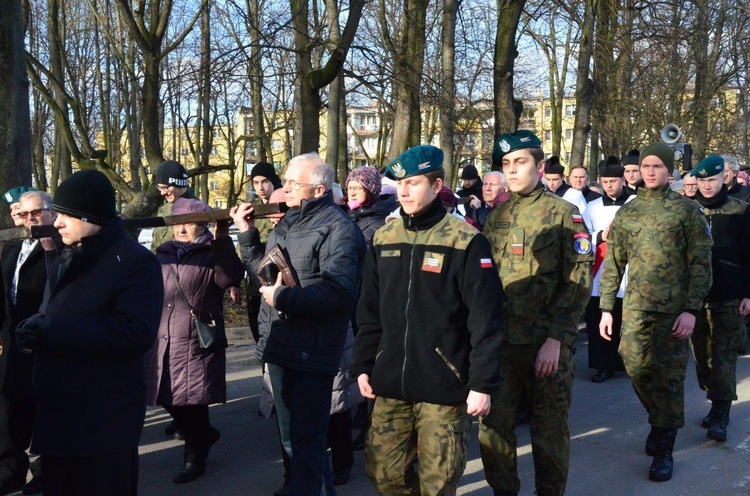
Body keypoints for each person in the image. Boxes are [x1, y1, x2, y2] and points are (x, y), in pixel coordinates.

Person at [350, 144, 504, 495]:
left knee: (439, 482)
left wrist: (481, 384)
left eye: (415, 183)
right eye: (400, 184)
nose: (404, 191)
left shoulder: (465, 241)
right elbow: (369, 312)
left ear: (437, 186)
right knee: (384, 473)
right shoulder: (384, 238)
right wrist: (362, 364)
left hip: (443, 387)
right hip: (389, 383)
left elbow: (486, 318)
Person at [14, 170, 163, 496]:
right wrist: (36, 327)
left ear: (92, 216)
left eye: (66, 214)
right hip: (60, 418)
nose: (58, 222)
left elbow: (135, 332)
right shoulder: (69, 253)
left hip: (102, 422)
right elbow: (58, 312)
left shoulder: (135, 261)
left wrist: (55, 332)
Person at [230, 153, 365, 496]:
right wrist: (247, 237)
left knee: (308, 439)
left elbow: (339, 292)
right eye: (285, 180)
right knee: (291, 438)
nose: (284, 187)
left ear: (318, 189)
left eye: (292, 183)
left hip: (312, 349)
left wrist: (284, 300)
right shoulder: (288, 222)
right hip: (280, 344)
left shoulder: (339, 228)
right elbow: (267, 275)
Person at [480, 131, 593, 496]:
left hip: (547, 344)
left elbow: (579, 278)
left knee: (548, 433)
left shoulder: (565, 215)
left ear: (540, 167)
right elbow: (482, 280)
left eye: (520, 162)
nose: (512, 171)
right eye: (506, 164)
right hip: (502, 345)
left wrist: (556, 338)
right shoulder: (495, 216)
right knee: (494, 429)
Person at [599, 143, 712, 482]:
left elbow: (701, 265)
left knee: (668, 377)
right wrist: (606, 307)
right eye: (645, 166)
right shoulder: (628, 213)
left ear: (669, 170)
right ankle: (660, 417)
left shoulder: (686, 211)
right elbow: (614, 261)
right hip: (635, 306)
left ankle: (664, 444)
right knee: (634, 366)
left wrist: (692, 309)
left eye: (657, 166)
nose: (649, 171)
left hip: (673, 310)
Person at [146, 198, 244, 484]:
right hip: (162, 335)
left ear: (201, 223)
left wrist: (223, 239)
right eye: (178, 222)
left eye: (189, 222)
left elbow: (231, 277)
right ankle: (203, 436)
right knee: (163, 393)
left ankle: (194, 458)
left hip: (194, 336)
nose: (183, 228)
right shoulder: (162, 252)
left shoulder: (211, 251)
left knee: (193, 399)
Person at [688, 155, 750, 442]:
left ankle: (721, 414)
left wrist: (748, 293)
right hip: (695, 299)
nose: (707, 185)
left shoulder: (740, 210)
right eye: (702, 180)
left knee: (724, 357)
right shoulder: (687, 210)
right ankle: (715, 401)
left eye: (712, 179)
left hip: (730, 295)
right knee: (702, 357)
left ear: (723, 179)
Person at [0, 191, 53, 495]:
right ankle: (10, 468)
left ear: (50, 212)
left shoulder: (57, 248)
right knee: (8, 402)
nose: (29, 219)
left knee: (45, 405)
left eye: (36, 213)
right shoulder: (11, 248)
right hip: (12, 338)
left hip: (46, 338)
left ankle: (46, 470)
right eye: (23, 214)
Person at [581, 161, 633, 383]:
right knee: (600, 318)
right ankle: (603, 365)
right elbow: (582, 237)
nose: (609, 186)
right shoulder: (592, 207)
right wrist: (600, 235)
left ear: (623, 180)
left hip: (629, 269)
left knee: (625, 320)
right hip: (601, 269)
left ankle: (626, 362)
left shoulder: (634, 203)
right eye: (605, 182)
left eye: (613, 181)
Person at [246, 162, 284, 344]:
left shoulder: (285, 206)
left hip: (280, 281)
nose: (260, 187)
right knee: (259, 336)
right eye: (256, 182)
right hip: (255, 283)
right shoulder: (250, 211)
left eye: (265, 181)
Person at [345, 165, 397, 245]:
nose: (352, 193)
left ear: (372, 191)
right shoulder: (348, 214)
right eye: (350, 188)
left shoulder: (381, 220)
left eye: (358, 188)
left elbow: (354, 248)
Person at [151, 160, 192, 251]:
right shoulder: (163, 210)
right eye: (159, 187)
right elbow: (155, 247)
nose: (162, 193)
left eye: (165, 187)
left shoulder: (201, 211)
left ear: (179, 183)